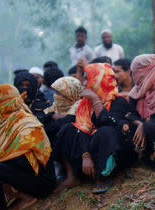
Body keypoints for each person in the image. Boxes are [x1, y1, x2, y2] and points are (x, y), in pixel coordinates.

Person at [55, 63, 131, 194]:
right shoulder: (84, 103)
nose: (84, 82)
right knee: (67, 129)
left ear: (98, 80)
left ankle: (103, 177)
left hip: (110, 151)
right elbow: (81, 129)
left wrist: (95, 98)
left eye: (87, 78)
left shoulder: (118, 100)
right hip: (89, 153)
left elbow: (106, 121)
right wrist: (85, 155)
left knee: (105, 131)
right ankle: (72, 176)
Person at [0, 84, 55, 210]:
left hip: (41, 182)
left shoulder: (26, 123)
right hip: (26, 176)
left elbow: (27, 163)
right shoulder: (6, 125)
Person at [42, 77, 82, 146]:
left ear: (70, 94)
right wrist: (51, 116)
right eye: (55, 92)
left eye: (59, 93)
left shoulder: (79, 110)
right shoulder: (54, 108)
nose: (55, 95)